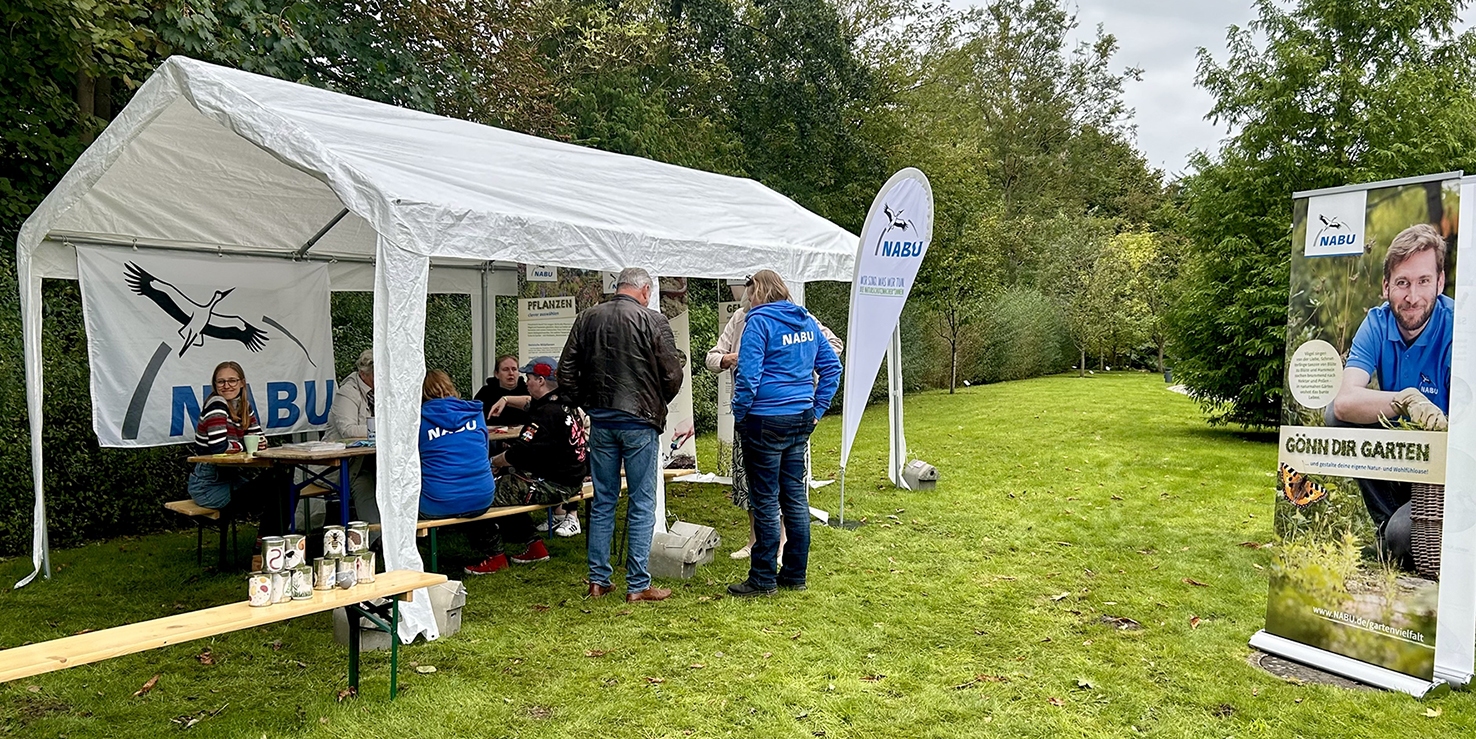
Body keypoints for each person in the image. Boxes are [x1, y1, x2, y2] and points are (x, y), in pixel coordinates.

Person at [1329, 223, 1454, 570]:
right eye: (1402, 283)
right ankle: (1387, 523)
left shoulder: (1460, 326)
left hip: (1445, 476)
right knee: (1334, 416)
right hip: (1400, 463)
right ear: (1386, 287)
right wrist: (1405, 399)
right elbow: (1344, 402)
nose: (1412, 296)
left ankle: (1397, 535)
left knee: (1402, 536)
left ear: (1440, 282)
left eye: (1423, 281)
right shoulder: (1376, 323)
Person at [560, 267, 683, 602]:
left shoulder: (588, 318)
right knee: (642, 501)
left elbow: (566, 369)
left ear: (619, 287)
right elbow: (672, 374)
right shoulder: (653, 320)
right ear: (645, 291)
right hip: (639, 420)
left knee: (603, 500)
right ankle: (638, 584)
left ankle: (598, 580)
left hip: (602, 419)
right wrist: (656, 402)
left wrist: (585, 402)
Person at [706, 276, 843, 560]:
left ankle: (764, 573)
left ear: (759, 292)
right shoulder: (802, 319)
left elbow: (749, 377)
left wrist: (741, 413)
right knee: (793, 496)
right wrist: (817, 407)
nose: (747, 301)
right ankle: (793, 571)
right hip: (799, 416)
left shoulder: (759, 321)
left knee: (765, 497)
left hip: (763, 417)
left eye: (749, 294)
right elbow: (832, 367)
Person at [488, 357, 590, 562]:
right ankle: (534, 546)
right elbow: (528, 402)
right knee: (509, 486)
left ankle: (494, 556)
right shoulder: (564, 402)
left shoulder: (546, 415)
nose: (526, 383)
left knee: (485, 495)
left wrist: (491, 463)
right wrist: (506, 399)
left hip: (554, 484)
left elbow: (518, 454)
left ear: (541, 381)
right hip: (572, 480)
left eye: (529, 378)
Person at [417, 370, 505, 575]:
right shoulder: (474, 413)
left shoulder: (418, 419)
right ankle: (491, 549)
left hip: (437, 502)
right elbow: (484, 450)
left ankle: (397, 556)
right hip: (482, 497)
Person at [187, 361, 288, 536]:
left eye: (232, 380)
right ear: (215, 385)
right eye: (221, 381)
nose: (227, 386)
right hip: (208, 485)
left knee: (283, 484)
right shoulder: (216, 404)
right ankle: (267, 544)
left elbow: (261, 440)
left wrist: (243, 443)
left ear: (242, 383)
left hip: (231, 479)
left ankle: (268, 543)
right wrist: (245, 443)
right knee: (280, 487)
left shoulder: (243, 406)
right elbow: (219, 447)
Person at [325, 349, 379, 541]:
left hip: (367, 459)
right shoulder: (347, 392)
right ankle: (377, 539)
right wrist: (385, 429)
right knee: (365, 483)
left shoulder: (380, 391)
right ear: (364, 374)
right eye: (377, 373)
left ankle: (399, 535)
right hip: (339, 465)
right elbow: (347, 430)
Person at [474, 354, 532, 428]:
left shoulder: (529, 390)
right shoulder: (485, 393)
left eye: (514, 369)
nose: (511, 373)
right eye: (505, 369)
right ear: (496, 374)